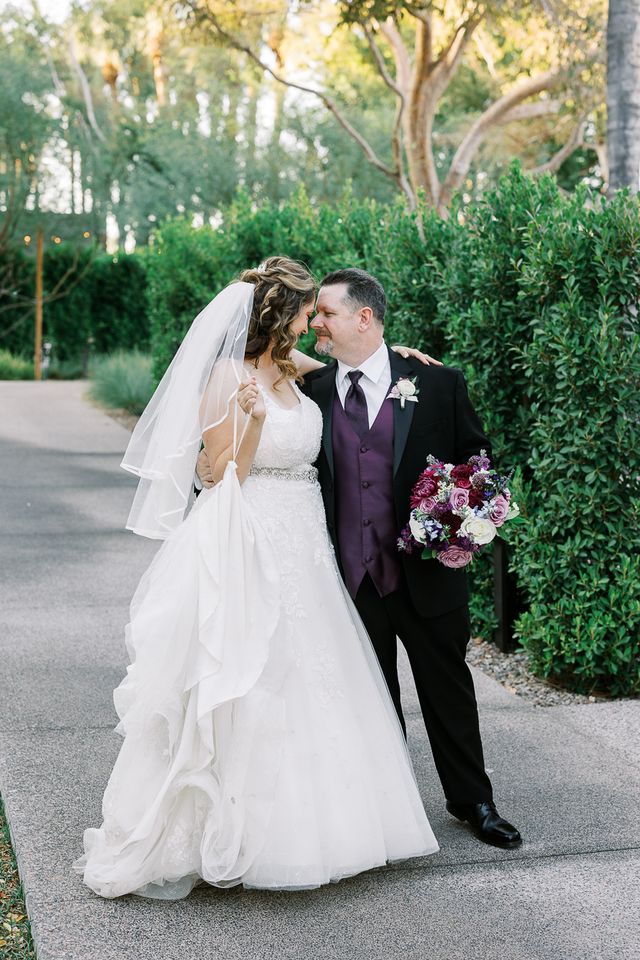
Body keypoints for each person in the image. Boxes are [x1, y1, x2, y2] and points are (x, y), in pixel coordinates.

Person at [73, 257, 440, 900]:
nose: (315, 322)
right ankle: (249, 833)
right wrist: (253, 427)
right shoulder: (226, 377)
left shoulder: (291, 370)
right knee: (255, 673)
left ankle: (344, 824)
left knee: (317, 671)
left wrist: (394, 354)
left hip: (307, 542)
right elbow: (220, 479)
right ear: (279, 314)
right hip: (254, 535)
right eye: (308, 311)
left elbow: (351, 369)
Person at [199, 267, 522, 850]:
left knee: (448, 689)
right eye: (313, 314)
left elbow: (480, 465)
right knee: (368, 700)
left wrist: (459, 526)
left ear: (364, 318)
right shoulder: (308, 389)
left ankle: (475, 801)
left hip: (425, 574)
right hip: (343, 579)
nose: (317, 324)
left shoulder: (438, 384)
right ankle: (384, 812)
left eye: (326, 314)